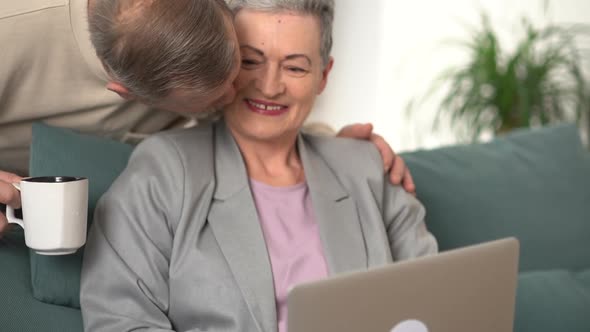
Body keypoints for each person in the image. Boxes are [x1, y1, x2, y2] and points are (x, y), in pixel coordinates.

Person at [80, 0, 438, 331]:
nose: (269, 86)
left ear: (323, 77)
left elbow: (434, 303)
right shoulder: (162, 171)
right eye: (250, 61)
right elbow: (119, 320)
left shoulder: (367, 169)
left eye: (295, 67)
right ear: (225, 61)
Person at [0, 0, 415, 237]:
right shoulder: (12, 32)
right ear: (126, 93)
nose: (242, 94)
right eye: (214, 97)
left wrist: (329, 146)